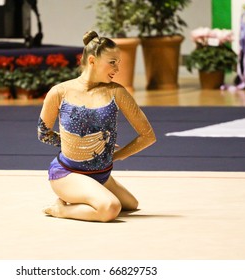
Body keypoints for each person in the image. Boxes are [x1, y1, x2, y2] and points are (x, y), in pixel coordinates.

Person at [37, 30, 156, 222]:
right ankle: (60, 209)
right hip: (68, 173)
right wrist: (79, 146)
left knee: (131, 205)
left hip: (101, 174)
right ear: (92, 61)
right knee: (110, 208)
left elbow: (148, 136)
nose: (117, 68)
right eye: (112, 62)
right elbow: (43, 133)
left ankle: (91, 191)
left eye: (119, 62)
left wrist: (115, 155)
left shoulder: (116, 92)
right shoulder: (60, 92)